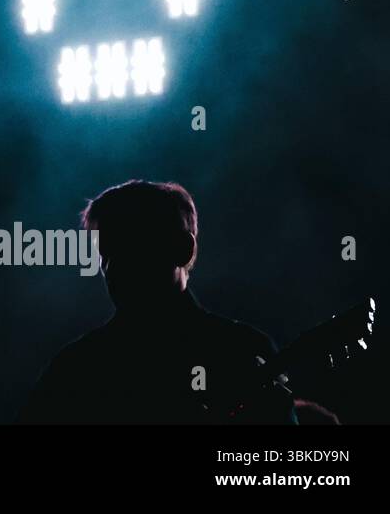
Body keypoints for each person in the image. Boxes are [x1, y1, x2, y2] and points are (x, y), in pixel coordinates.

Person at [20, 180, 295, 424]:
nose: (113, 267)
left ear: (182, 249)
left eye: (132, 247)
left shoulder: (76, 369)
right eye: (106, 254)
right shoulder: (242, 349)